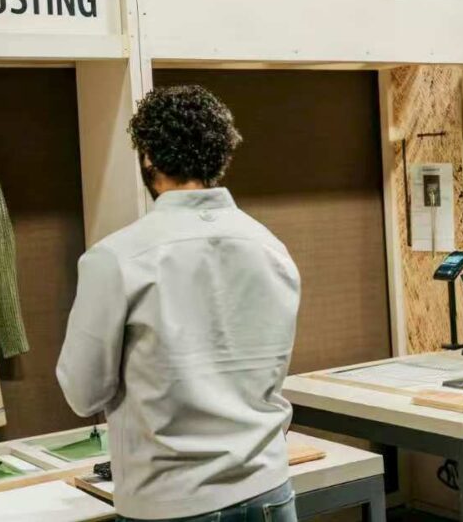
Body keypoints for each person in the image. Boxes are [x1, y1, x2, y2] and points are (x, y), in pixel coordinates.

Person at [56, 85, 301, 521]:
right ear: (219, 155)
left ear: (148, 157)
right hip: (269, 490)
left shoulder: (115, 259)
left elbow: (83, 392)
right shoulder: (271, 247)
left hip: (171, 502)